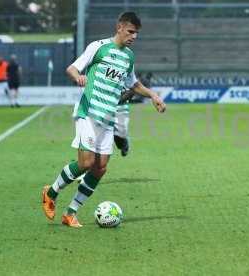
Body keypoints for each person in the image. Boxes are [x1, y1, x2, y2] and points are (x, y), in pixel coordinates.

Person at [42, 12, 166, 228]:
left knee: (100, 168)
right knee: (86, 163)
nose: (134, 36)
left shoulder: (128, 57)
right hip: (88, 112)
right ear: (119, 27)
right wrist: (78, 77)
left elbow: (134, 84)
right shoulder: (98, 47)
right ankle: (50, 192)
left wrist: (154, 95)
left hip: (108, 116)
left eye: (136, 33)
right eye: (130, 31)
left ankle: (70, 213)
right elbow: (72, 68)